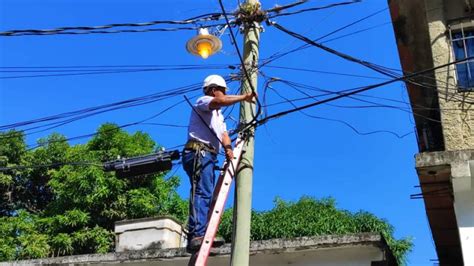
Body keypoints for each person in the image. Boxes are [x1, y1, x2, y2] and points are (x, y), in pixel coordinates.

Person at [182, 74, 257, 252]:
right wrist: (244, 97)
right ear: (213, 90)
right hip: (198, 152)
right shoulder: (203, 101)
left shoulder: (218, 116)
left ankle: (200, 232)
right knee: (202, 192)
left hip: (208, 155)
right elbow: (220, 102)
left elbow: (223, 134)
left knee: (206, 192)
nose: (223, 95)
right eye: (222, 91)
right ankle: (196, 234)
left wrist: (229, 149)